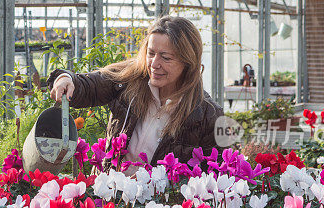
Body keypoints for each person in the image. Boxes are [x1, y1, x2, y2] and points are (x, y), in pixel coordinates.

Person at [48, 16, 223, 172]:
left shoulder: (207, 115)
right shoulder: (128, 81)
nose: (154, 64)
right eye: (151, 53)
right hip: (112, 196)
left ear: (188, 62)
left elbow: (214, 176)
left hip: (162, 207)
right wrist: (65, 78)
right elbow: (91, 85)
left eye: (166, 57)